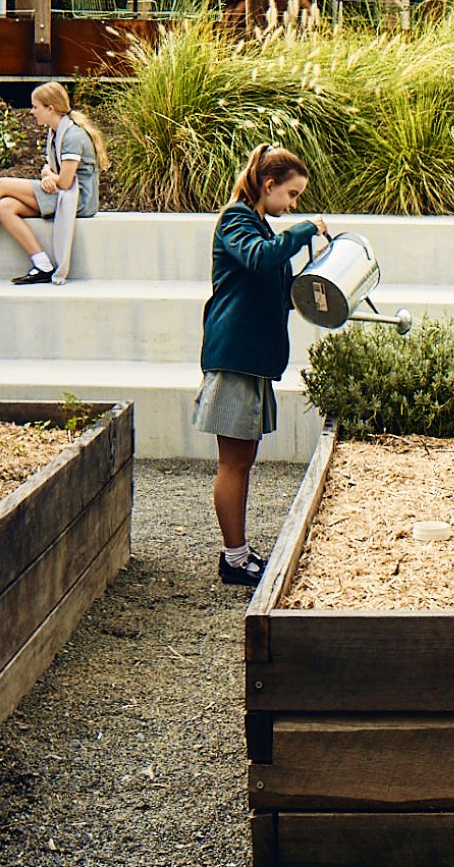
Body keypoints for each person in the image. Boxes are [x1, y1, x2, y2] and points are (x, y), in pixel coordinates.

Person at [194, 144, 328, 588]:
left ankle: (240, 552)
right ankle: (234, 560)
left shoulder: (261, 229)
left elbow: (279, 286)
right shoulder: (237, 220)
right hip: (235, 358)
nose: (293, 206)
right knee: (233, 463)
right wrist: (304, 230)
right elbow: (256, 258)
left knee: (242, 460)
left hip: (251, 361)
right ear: (268, 186)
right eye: (290, 195)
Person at [0, 81, 108, 285]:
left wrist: (50, 177)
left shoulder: (73, 135)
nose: (32, 112)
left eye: (35, 107)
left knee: (0, 185)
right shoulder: (55, 132)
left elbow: (64, 182)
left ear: (50, 108)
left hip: (78, 200)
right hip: (65, 194)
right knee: (4, 206)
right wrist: (48, 174)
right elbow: (51, 169)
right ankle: (42, 265)